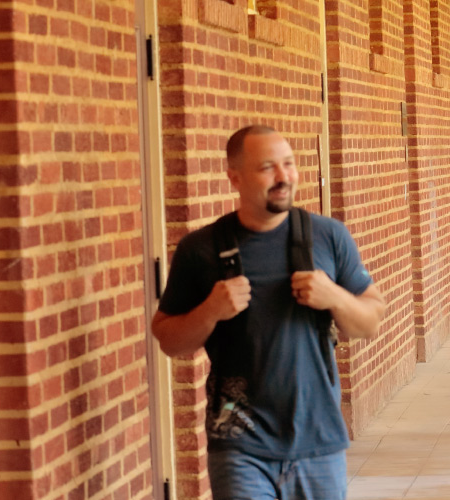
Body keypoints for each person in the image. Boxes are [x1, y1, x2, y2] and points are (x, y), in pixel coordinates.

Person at [151, 125, 388, 500]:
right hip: (239, 444)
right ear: (234, 177)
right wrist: (210, 311)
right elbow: (167, 338)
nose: (283, 177)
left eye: (289, 164)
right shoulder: (200, 249)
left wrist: (335, 298)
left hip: (318, 442)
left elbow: (371, 320)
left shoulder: (328, 236)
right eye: (267, 167)